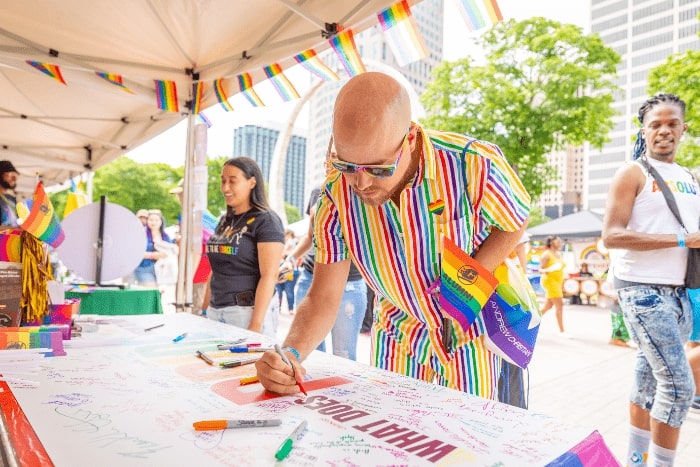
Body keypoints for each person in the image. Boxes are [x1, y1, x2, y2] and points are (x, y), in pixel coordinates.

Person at [256, 72, 530, 401]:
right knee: (395, 440)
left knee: (468, 441)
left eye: (378, 168)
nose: (361, 184)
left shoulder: (472, 165)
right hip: (396, 332)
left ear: (410, 138)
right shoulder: (334, 198)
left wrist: (467, 284)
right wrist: (290, 357)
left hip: (468, 331)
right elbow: (324, 297)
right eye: (346, 165)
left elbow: (515, 218)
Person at [602, 93, 699, 467]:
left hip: (680, 295)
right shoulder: (633, 172)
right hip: (642, 293)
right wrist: (681, 239)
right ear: (644, 129)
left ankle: (636, 461)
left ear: (683, 128)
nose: (663, 131)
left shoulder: (691, 178)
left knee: (646, 386)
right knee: (678, 388)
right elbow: (611, 235)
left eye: (672, 123)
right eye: (655, 124)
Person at [282, 152, 367, 361]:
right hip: (310, 277)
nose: (331, 162)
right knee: (310, 356)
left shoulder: (363, 191)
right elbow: (311, 236)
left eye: (340, 158)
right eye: (329, 157)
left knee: (343, 356)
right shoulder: (317, 192)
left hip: (349, 283)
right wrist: (290, 259)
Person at [205, 157, 284, 337]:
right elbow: (215, 269)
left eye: (232, 181)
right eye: (223, 181)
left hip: (245, 313)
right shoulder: (225, 220)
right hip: (215, 310)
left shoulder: (266, 220)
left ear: (252, 182)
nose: (225, 188)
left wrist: (255, 324)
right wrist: (204, 309)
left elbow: (269, 276)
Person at [169, 179, 214, 315]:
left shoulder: (196, 216)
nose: (179, 198)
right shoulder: (192, 214)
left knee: (194, 310)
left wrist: (186, 279)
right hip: (195, 270)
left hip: (199, 273)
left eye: (182, 194)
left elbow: (198, 249)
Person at [132, 209, 174, 288]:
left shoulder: (165, 236)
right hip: (144, 267)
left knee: (159, 293)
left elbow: (171, 252)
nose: (153, 222)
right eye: (151, 220)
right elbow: (135, 252)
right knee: (150, 290)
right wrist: (153, 255)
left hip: (162, 269)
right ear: (147, 221)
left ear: (161, 221)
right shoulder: (141, 234)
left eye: (156, 220)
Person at [539, 235, 569, 337]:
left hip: (557, 282)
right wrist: (548, 270)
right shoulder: (546, 255)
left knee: (548, 306)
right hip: (550, 282)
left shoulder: (558, 254)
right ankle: (562, 331)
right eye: (558, 241)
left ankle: (530, 321)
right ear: (552, 243)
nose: (560, 243)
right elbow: (540, 269)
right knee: (559, 305)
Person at [275, 229, 299, 314]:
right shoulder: (293, 242)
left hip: (287, 268)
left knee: (281, 289)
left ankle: (280, 307)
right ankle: (290, 309)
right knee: (289, 290)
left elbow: (284, 253)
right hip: (291, 269)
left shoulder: (290, 242)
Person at [0, 160, 20, 230]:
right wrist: (15, 229)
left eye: (15, 176)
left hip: (13, 239)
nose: (14, 179)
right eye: (10, 175)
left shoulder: (12, 198)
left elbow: (17, 221)